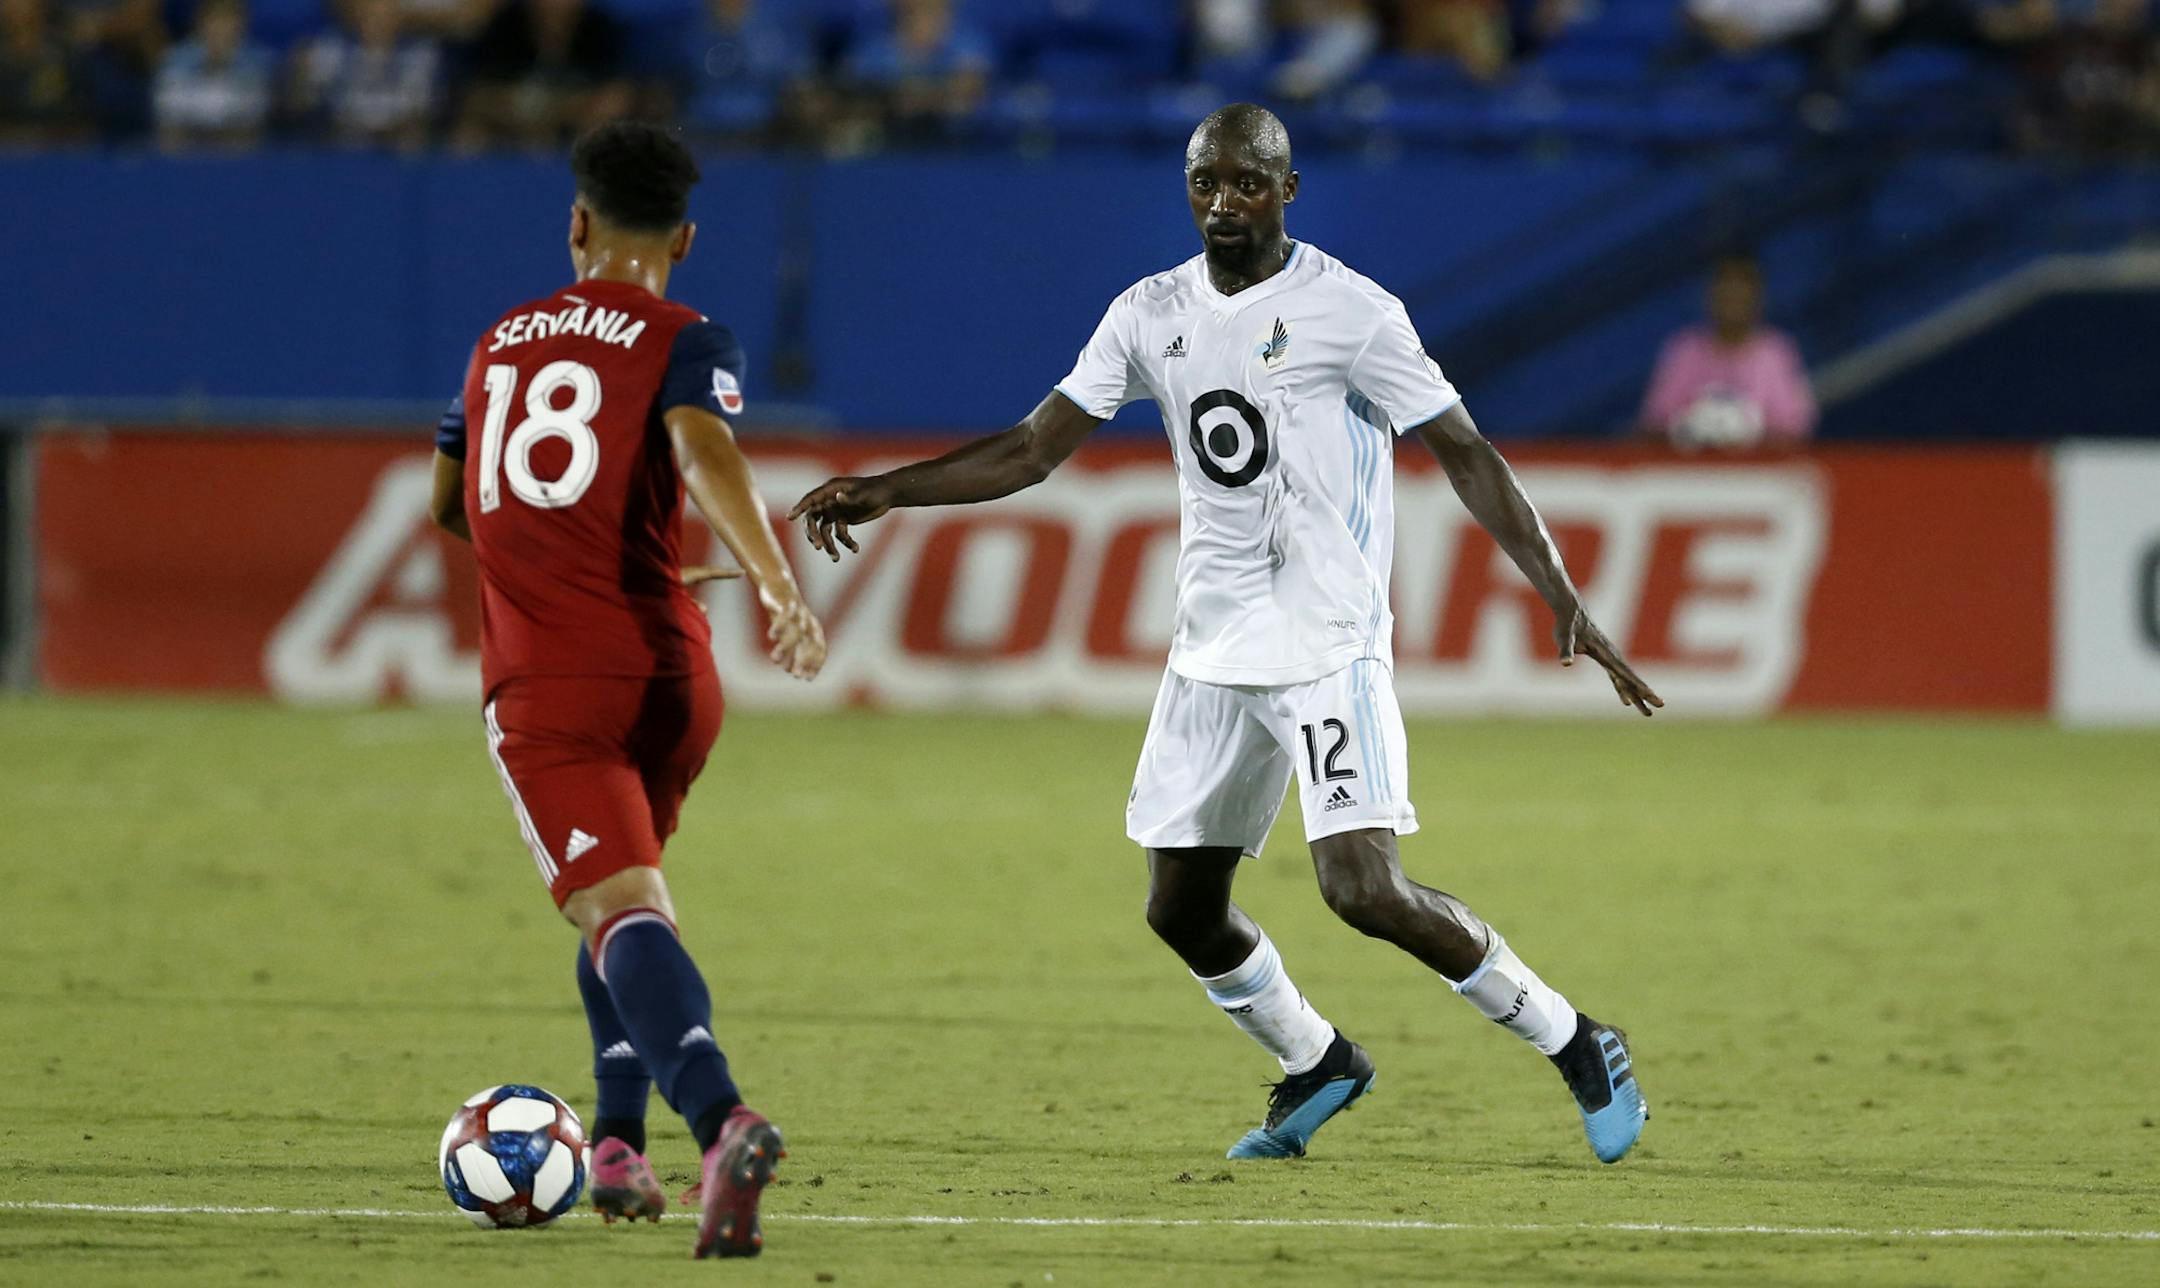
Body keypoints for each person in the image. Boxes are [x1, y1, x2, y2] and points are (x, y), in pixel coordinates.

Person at [793, 102, 1660, 1165]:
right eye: (1205, 181)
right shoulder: (1148, 311)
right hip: (1214, 650)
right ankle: (1318, 1059)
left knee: (1361, 887)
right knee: (1181, 908)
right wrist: (887, 491)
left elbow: (1467, 452)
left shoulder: (1355, 312)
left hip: (1330, 644)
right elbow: (1031, 449)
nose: (1222, 202)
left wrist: (1558, 587)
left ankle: (1578, 1040)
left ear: (1288, 190)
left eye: (1247, 182)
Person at [428, 121, 827, 1257]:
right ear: (685, 239)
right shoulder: (687, 334)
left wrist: (543, 558)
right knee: (629, 902)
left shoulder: (497, 343)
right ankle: (613, 1142)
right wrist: (770, 583)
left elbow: (453, 507)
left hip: (553, 684)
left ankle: (722, 1120)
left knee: (613, 907)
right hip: (672, 677)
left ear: (577, 222)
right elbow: (702, 450)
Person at [1640, 252, 1818, 448]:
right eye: (1726, 288)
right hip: (1694, 471)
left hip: (1759, 472)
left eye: (1741, 290)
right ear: (1710, 295)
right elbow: (1654, 424)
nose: (1733, 299)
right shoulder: (1685, 349)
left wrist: (1744, 436)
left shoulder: (1776, 352)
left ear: (1758, 297)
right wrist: (1693, 431)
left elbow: (1796, 429)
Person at [152, 0, 273, 149]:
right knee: (171, 136)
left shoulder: (256, 62)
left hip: (236, 139)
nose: (221, 29)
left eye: (228, 21)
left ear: (242, 24)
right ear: (200, 22)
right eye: (215, 21)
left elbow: (254, 112)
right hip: (187, 135)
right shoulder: (177, 58)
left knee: (242, 138)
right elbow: (168, 109)